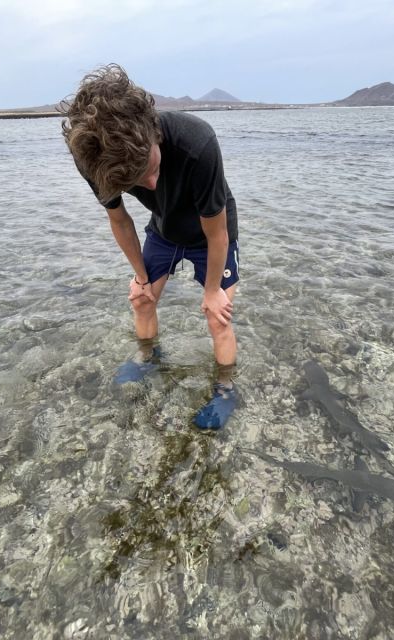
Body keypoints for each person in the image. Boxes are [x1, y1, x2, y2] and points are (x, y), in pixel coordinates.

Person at [61, 64, 239, 430]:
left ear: (152, 130)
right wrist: (140, 276)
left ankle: (225, 389)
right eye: (136, 180)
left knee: (216, 315)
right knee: (142, 299)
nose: (151, 182)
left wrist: (211, 292)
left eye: (150, 166)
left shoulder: (197, 142)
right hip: (164, 229)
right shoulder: (94, 159)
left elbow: (217, 233)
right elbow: (120, 219)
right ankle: (148, 357)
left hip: (212, 232)